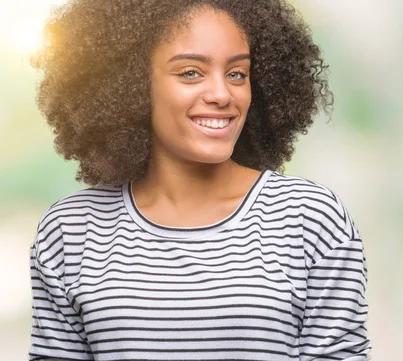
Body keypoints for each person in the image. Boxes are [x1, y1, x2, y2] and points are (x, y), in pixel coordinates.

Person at [28, 0, 371, 360]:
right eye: (191, 72)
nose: (222, 95)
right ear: (131, 85)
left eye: (237, 74)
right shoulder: (70, 230)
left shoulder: (310, 218)